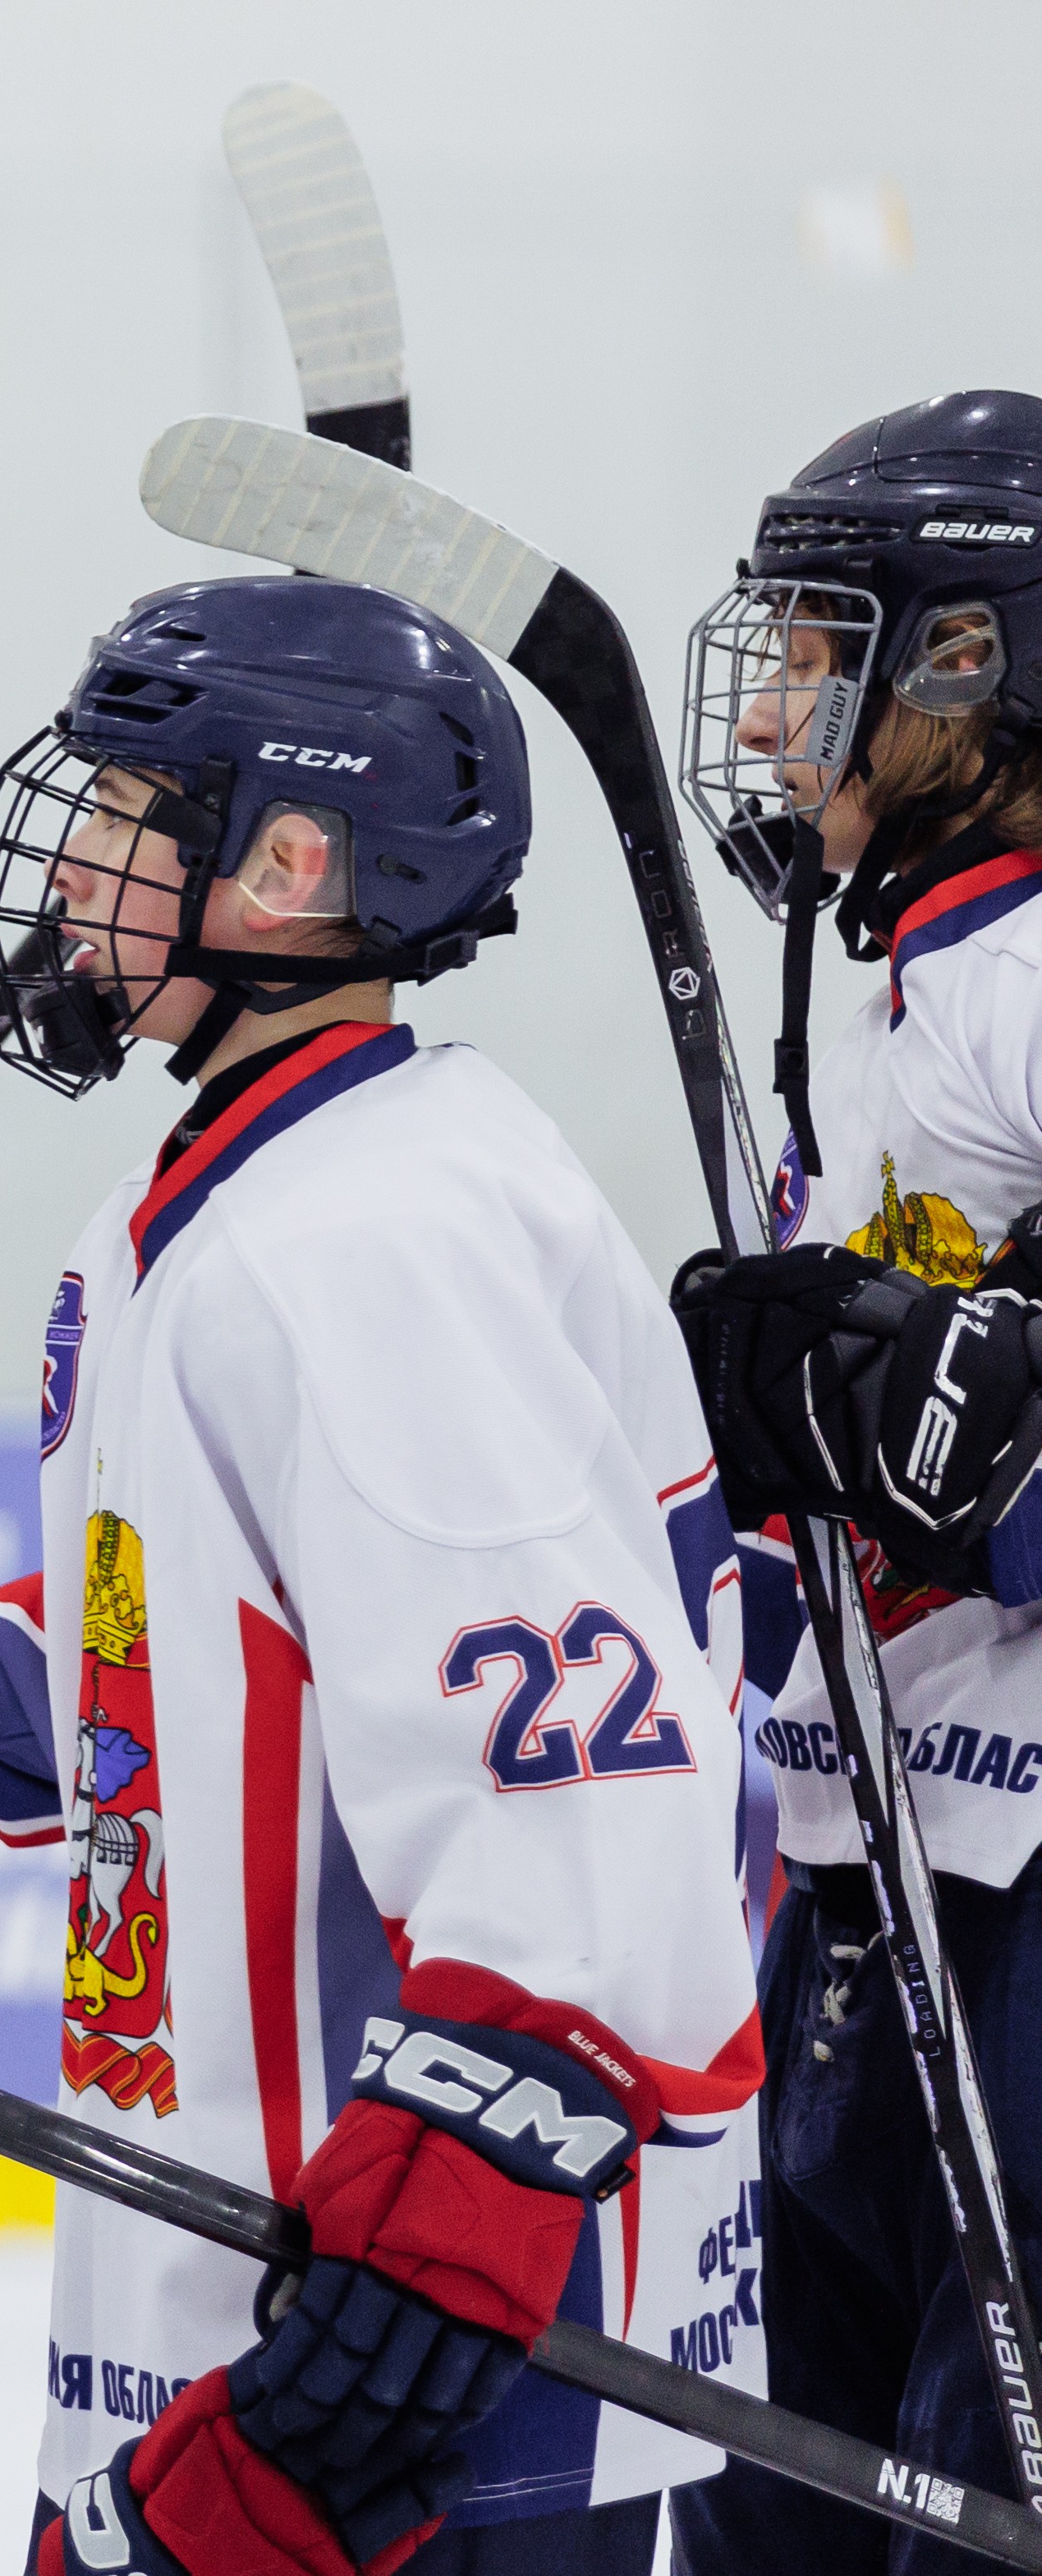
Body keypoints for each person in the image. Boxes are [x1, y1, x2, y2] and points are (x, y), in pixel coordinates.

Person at [0, 577, 766, 2576]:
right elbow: (211, 1684)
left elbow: (577, 1837)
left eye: (123, 810)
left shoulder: (373, 1244)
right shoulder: (237, 1199)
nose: (69, 858)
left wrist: (351, 2390)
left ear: (292, 865)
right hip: (246, 2314)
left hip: (410, 2381)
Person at [665, 389, 1042, 2574]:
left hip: (1014, 1884)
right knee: (783, 2507)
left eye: (828, 649)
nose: (787, 704)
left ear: (972, 670)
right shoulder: (901, 978)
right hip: (869, 1847)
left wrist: (971, 1446)